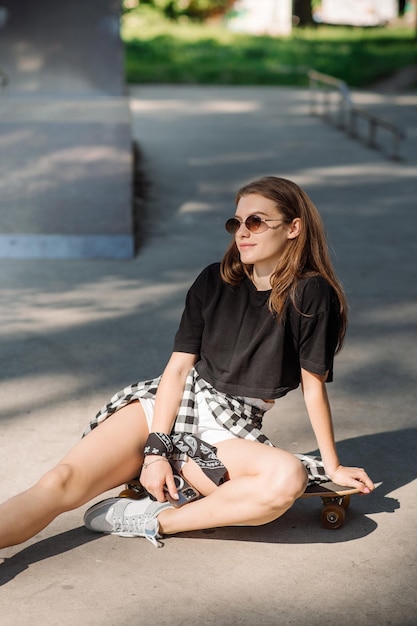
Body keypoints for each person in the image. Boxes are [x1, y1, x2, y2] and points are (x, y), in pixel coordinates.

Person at [0, 176, 374, 550]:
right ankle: (168, 474)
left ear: (294, 228)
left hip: (229, 430)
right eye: (236, 223)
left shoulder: (311, 296)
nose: (242, 232)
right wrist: (154, 452)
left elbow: (313, 388)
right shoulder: (214, 281)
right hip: (169, 405)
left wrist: (333, 465)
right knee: (60, 483)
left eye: (256, 221)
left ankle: (154, 519)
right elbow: (177, 370)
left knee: (285, 479)